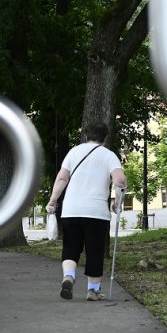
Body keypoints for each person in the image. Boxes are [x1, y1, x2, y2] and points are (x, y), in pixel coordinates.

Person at [46, 122, 126, 301]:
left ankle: (69, 276)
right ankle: (93, 290)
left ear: (86, 135)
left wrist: (53, 200)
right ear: (105, 137)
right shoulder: (109, 155)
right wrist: (117, 203)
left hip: (71, 209)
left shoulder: (73, 152)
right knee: (94, 250)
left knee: (70, 246)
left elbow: (62, 178)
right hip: (96, 212)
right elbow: (120, 180)